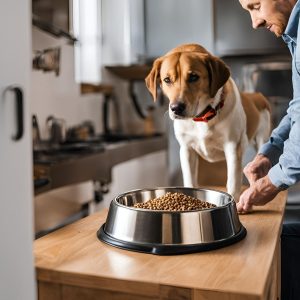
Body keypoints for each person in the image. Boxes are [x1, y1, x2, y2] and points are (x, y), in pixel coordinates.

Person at [238, 0, 300, 299]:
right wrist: (269, 152)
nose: (255, 22)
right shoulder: (296, 36)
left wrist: (273, 181)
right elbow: (299, 107)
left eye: (255, 5)